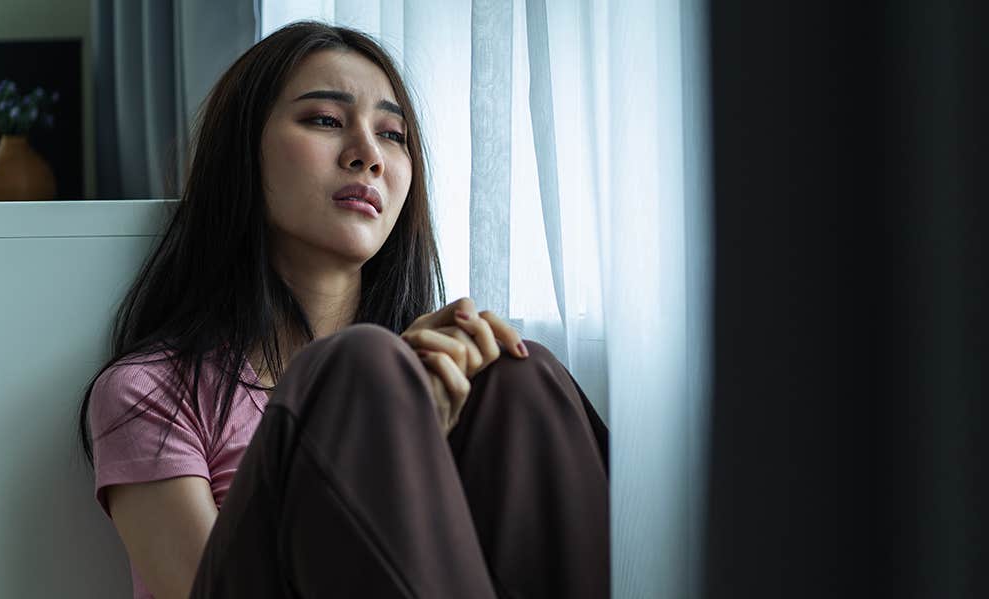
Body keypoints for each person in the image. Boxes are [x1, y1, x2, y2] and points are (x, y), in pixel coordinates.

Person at [77, 20, 608, 599]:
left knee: (517, 374)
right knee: (362, 366)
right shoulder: (150, 391)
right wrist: (388, 420)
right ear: (242, 154)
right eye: (326, 121)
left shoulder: (441, 379)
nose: (369, 155)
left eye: (393, 134)